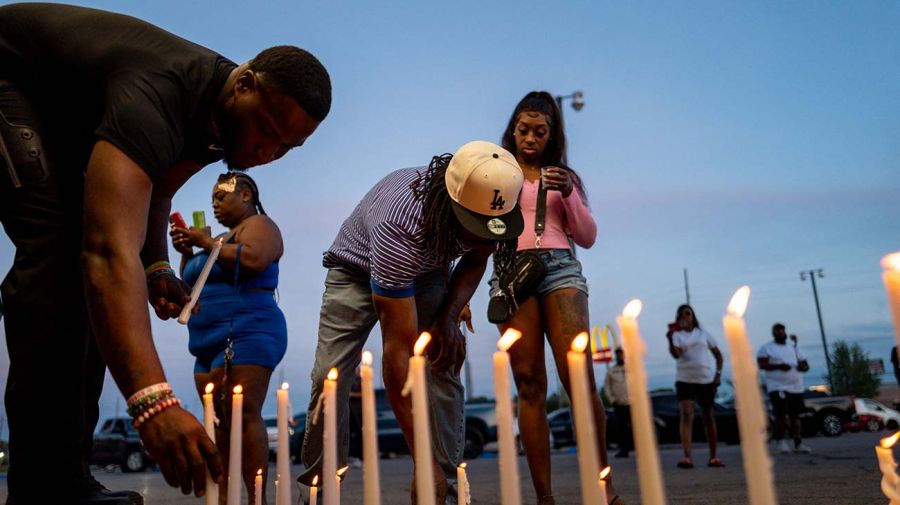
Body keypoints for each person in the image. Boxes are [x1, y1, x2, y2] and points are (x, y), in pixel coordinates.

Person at [0, 4, 331, 503]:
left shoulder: (221, 125)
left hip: (59, 112)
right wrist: (152, 402)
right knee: (62, 253)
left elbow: (157, 190)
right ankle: (43, 485)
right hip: (10, 77)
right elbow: (108, 252)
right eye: (266, 130)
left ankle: (62, 476)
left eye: (287, 147)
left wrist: (155, 267)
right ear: (243, 84)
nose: (266, 154)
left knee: (86, 276)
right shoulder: (161, 94)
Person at [297, 140, 523, 505]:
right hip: (355, 269)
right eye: (473, 227)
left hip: (428, 267)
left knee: (443, 358)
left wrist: (448, 317)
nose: (481, 237)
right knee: (329, 377)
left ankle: (447, 494)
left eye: (489, 229)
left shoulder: (486, 195)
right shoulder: (401, 226)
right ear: (450, 204)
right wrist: (422, 461)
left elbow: (476, 259)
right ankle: (320, 493)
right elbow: (397, 359)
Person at [489, 91, 621, 505]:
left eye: (540, 132)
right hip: (512, 272)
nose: (530, 138)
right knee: (529, 384)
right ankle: (544, 497)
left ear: (552, 135)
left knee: (578, 379)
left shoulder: (565, 177)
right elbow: (478, 233)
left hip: (560, 267)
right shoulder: (493, 171)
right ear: (512, 130)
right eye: (524, 130)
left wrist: (569, 195)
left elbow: (588, 236)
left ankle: (604, 489)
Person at [171, 172, 286, 503]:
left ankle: (255, 497)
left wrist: (206, 243)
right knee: (218, 420)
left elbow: (254, 259)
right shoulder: (222, 237)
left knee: (243, 413)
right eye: (213, 200)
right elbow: (193, 284)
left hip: (248, 332)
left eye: (221, 197)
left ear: (246, 195)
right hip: (205, 342)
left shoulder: (261, 226)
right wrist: (186, 251)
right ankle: (223, 497)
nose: (215, 203)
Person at [666, 304, 725, 469]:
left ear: (693, 316)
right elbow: (676, 355)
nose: (685, 317)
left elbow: (718, 355)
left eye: (688, 313)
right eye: (682, 314)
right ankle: (687, 456)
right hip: (685, 379)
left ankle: (713, 456)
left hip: (705, 380)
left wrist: (718, 374)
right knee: (686, 414)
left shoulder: (703, 334)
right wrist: (670, 338)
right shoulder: (677, 335)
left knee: (708, 416)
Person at [757, 323, 812, 454]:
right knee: (781, 414)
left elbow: (805, 365)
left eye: (782, 331)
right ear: (773, 333)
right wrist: (779, 366)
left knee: (795, 415)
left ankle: (798, 443)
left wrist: (802, 367)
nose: (781, 333)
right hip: (778, 387)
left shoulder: (794, 348)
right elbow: (762, 364)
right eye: (778, 331)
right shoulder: (767, 348)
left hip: (796, 387)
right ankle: (780, 441)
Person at [604, 348, 632, 458]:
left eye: (622, 354)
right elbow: (607, 387)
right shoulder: (611, 371)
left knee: (636, 427)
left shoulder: (631, 368)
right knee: (621, 428)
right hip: (619, 404)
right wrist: (612, 400)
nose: (620, 356)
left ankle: (641, 448)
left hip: (632, 403)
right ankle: (624, 449)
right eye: (618, 354)